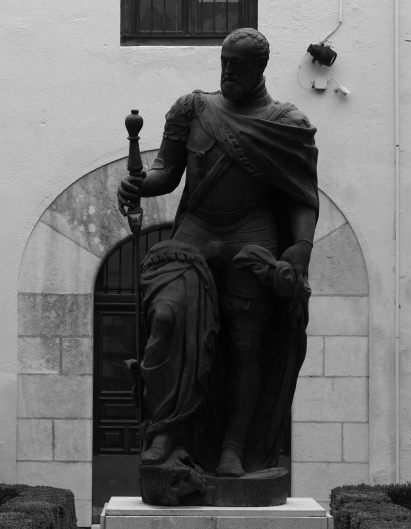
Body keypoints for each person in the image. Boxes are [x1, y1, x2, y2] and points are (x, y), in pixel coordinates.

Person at [117, 28, 319, 481]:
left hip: (253, 236)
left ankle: (233, 446)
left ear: (260, 68)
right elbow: (166, 173)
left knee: (245, 348)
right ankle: (167, 431)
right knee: (168, 317)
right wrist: (139, 185)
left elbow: (302, 195)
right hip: (196, 229)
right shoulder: (192, 109)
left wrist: (301, 248)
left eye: (239, 66)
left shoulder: (286, 122)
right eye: (225, 63)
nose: (228, 72)